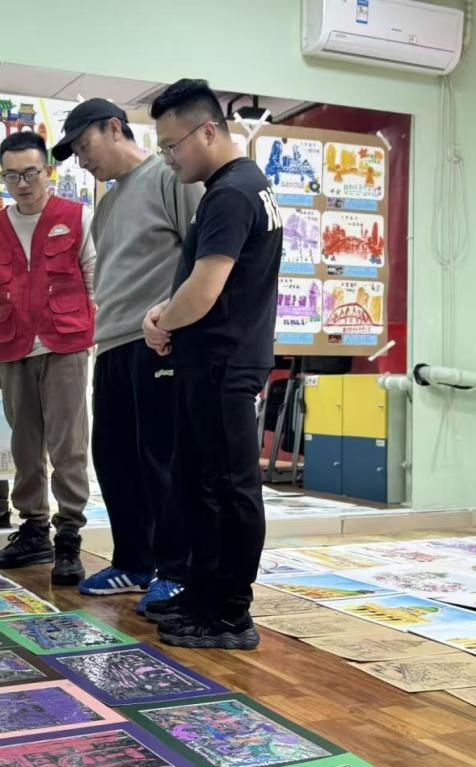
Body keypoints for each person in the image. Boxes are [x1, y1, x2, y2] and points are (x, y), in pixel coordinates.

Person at [141, 79, 282, 650]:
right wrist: (166, 313)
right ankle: (203, 593)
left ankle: (229, 612)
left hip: (224, 361)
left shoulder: (231, 194)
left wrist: (161, 323)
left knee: (228, 485)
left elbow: (204, 290)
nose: (169, 158)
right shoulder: (236, 187)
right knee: (199, 483)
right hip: (212, 360)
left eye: (171, 146)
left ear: (207, 131)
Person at [51, 99, 202, 613]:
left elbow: (201, 257)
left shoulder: (169, 178)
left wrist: (174, 321)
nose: (81, 160)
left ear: (114, 128)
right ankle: (134, 563)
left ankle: (176, 571)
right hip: (111, 343)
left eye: (84, 146)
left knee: (161, 458)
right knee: (114, 459)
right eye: (74, 153)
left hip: (158, 340)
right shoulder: (108, 205)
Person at [0, 131, 96, 585]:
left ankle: (69, 536)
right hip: (14, 344)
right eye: (12, 176)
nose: (22, 184)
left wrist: (87, 333)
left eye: (30, 173)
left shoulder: (77, 217)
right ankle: (33, 529)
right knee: (24, 444)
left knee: (69, 444)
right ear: (3, 176)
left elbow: (93, 281)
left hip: (65, 343)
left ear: (48, 171)